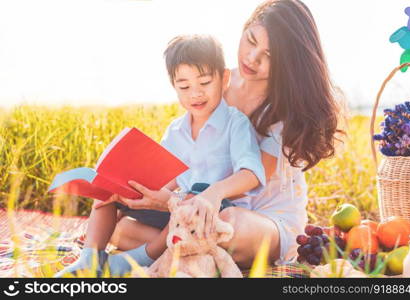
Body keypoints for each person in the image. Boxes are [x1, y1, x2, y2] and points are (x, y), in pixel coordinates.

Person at [109, 0, 344, 269]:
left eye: (269, 55)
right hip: (202, 208)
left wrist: (178, 202)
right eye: (251, 40)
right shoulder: (214, 81)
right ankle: (192, 254)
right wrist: (154, 194)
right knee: (122, 229)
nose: (252, 58)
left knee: (229, 223)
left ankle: (180, 252)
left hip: (261, 221)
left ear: (288, 63)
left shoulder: (284, 110)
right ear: (244, 29)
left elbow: (252, 181)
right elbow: (191, 151)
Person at [54, 34, 266, 277]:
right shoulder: (176, 130)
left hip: (209, 212)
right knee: (109, 190)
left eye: (205, 82)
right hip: (173, 206)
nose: (195, 94)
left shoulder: (235, 123)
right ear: (174, 86)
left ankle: (133, 260)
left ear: (224, 78)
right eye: (184, 86)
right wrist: (131, 192)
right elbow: (164, 179)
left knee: (190, 201)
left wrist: (211, 194)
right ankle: (89, 258)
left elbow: (251, 174)